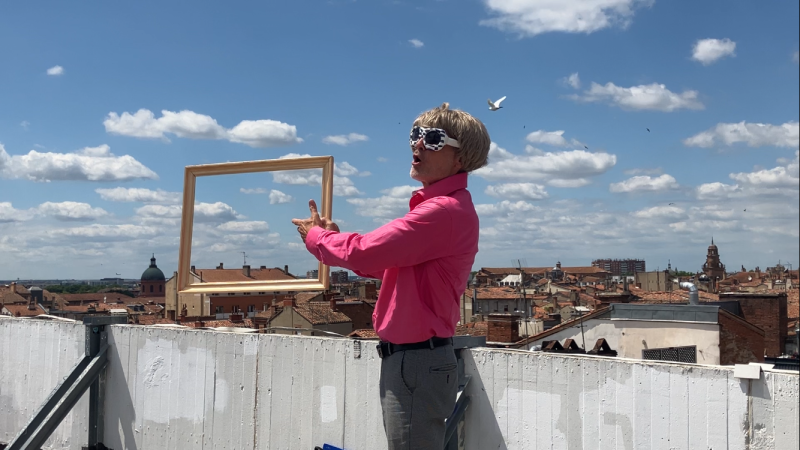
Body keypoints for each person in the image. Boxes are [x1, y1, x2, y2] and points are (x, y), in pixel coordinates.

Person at [292, 102, 490, 449]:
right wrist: (334, 239)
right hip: (415, 361)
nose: (417, 145)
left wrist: (316, 237)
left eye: (432, 138)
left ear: (461, 157)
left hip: (415, 362)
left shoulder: (443, 211)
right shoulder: (446, 210)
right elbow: (380, 264)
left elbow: (366, 251)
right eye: (416, 135)